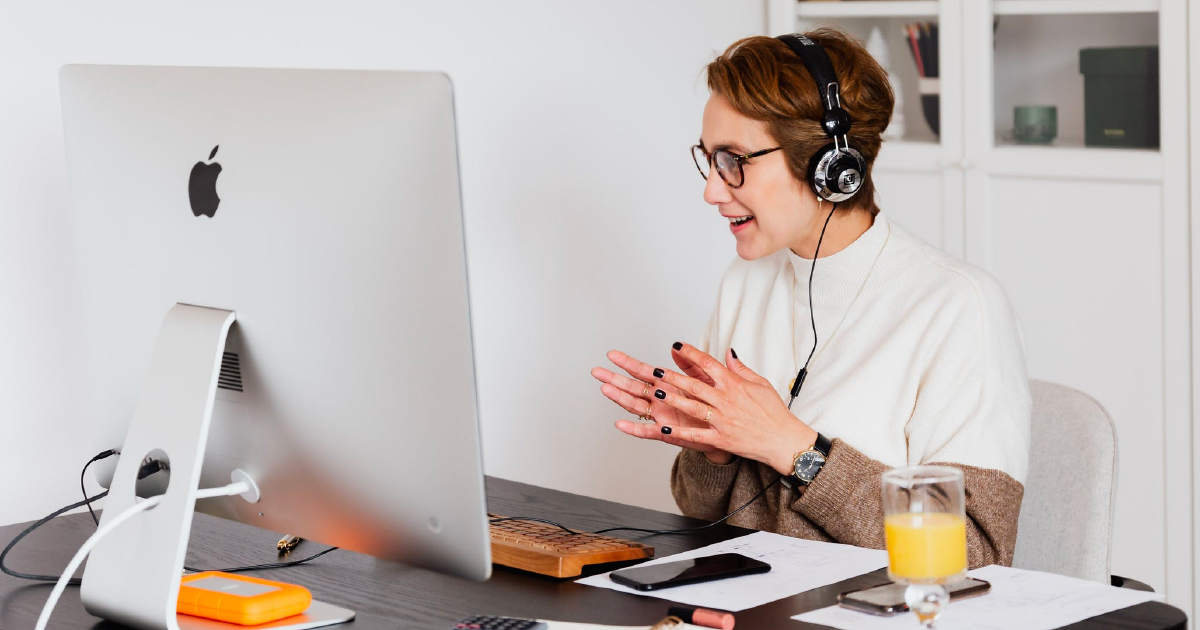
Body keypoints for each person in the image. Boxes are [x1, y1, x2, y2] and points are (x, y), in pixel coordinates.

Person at [590, 29, 1030, 568]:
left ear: (828, 164)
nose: (711, 189)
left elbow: (975, 553)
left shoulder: (957, 307)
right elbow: (702, 512)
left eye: (734, 161)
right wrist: (715, 451)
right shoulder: (744, 283)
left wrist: (794, 448)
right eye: (708, 160)